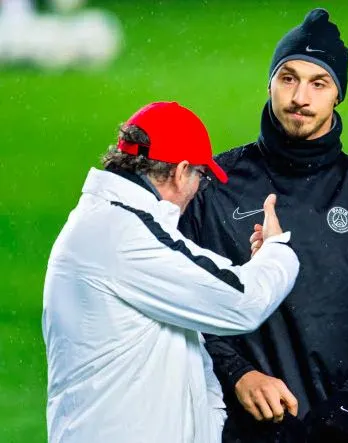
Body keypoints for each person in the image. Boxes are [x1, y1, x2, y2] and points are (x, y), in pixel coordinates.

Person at [179, 8, 348, 443]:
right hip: (232, 430)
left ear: (338, 95)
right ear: (269, 83)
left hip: (339, 432)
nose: (299, 97)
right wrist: (238, 373)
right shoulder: (212, 188)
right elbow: (178, 303)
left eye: (319, 83)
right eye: (288, 78)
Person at [42, 101, 300, 443]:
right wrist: (277, 250)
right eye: (201, 178)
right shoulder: (128, 236)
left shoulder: (101, 222)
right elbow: (245, 301)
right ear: (181, 172)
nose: (197, 191)